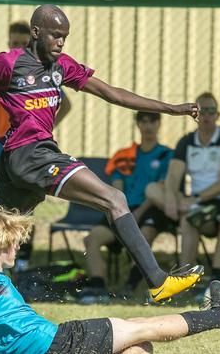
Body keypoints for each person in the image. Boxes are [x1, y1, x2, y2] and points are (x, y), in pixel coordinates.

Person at [0, 4, 203, 305]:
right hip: (31, 156)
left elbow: (112, 93)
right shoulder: (8, 63)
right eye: (55, 36)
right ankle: (157, 280)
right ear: (36, 33)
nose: (61, 43)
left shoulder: (62, 67)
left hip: (21, 165)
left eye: (65, 37)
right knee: (114, 199)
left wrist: (172, 109)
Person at [0, 208, 220, 354]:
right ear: (0, 246)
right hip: (62, 344)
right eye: (13, 242)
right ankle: (219, 315)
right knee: (143, 329)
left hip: (58, 343)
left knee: (138, 347)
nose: (17, 247)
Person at [0, 20, 72, 271]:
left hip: (26, 142)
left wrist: (45, 125)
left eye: (21, 42)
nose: (17, 46)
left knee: (27, 199)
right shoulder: (4, 67)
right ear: (8, 42)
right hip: (1, 140)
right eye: (13, 42)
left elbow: (66, 103)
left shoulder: (40, 71)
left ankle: (22, 252)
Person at [146, 92, 220, 284]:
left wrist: (195, 200)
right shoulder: (187, 141)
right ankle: (186, 280)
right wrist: (172, 201)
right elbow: (173, 175)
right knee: (152, 189)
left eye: (211, 111)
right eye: (202, 110)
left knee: (189, 219)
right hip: (192, 202)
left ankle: (189, 278)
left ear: (218, 115)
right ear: (195, 115)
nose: (206, 115)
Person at [81, 111, 174, 303]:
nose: (148, 126)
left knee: (144, 235)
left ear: (159, 124)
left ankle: (129, 287)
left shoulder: (167, 155)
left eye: (152, 121)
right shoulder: (124, 156)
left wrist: (137, 213)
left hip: (151, 208)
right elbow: (115, 191)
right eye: (144, 121)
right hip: (123, 209)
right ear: (138, 124)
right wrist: (124, 213)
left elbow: (163, 188)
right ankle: (98, 288)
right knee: (91, 239)